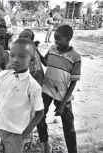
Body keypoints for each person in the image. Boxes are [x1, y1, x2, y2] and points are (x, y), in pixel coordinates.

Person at [0, 38, 44, 153]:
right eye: (12, 55)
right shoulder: (3, 75)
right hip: (0, 127)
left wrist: (24, 134)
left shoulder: (32, 85)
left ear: (32, 60)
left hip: (16, 133)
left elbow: (40, 113)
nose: (15, 60)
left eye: (22, 57)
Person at [36, 25, 81, 153]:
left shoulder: (75, 57)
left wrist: (62, 104)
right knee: (39, 117)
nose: (55, 41)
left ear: (68, 38)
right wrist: (37, 50)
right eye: (54, 38)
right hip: (46, 90)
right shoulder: (52, 49)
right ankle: (45, 143)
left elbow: (73, 83)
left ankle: (73, 150)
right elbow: (45, 62)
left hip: (63, 95)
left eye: (58, 39)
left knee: (69, 126)